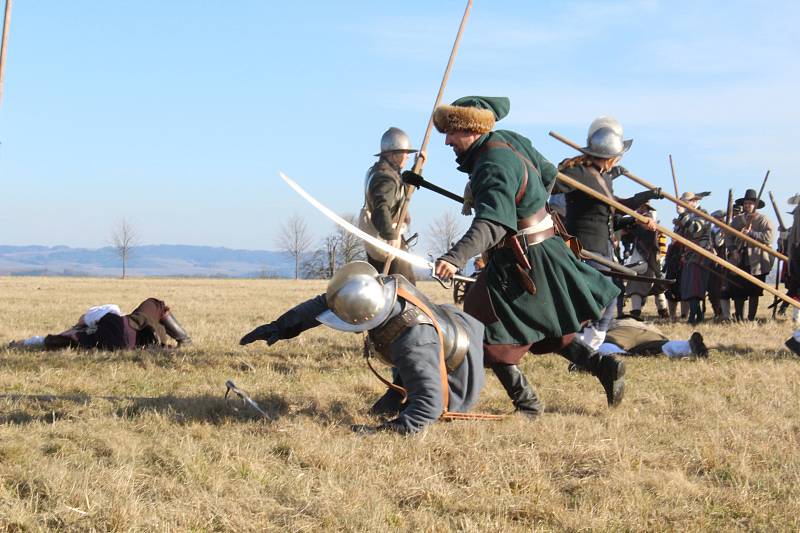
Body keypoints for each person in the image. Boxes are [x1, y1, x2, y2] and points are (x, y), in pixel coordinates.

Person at [428, 96, 624, 410]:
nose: (448, 140)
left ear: (474, 129)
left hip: (522, 259)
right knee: (547, 325)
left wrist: (455, 256)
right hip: (543, 248)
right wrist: (524, 205)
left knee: (484, 328)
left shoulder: (491, 165)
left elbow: (493, 223)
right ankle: (602, 365)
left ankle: (528, 404)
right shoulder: (509, 141)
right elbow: (547, 174)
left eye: (454, 132)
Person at [239, 261, 487, 433]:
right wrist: (281, 326)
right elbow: (326, 304)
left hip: (455, 378)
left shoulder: (413, 342)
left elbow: (429, 408)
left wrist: (387, 430)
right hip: (436, 341)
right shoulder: (382, 292)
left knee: (411, 367)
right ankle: (400, 391)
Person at [554, 117, 661, 346]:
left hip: (603, 247)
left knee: (608, 297)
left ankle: (587, 347)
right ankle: (584, 347)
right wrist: (552, 174)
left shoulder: (603, 178)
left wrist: (642, 209)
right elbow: (552, 184)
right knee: (604, 297)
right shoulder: (580, 173)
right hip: (583, 247)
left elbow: (613, 210)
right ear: (611, 158)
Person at [358, 127, 421, 283]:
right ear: (393, 154)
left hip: (385, 240)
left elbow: (402, 193)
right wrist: (390, 235)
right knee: (402, 289)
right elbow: (381, 207)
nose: (407, 156)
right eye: (405, 153)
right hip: (386, 242)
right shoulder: (385, 177)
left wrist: (417, 169)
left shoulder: (383, 172)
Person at [9, 298, 191, 350]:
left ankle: (181, 342)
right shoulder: (110, 313)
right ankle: (184, 340)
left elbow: (48, 340)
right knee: (154, 303)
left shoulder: (81, 335)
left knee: (64, 339)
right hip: (141, 332)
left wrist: (23, 343)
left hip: (125, 342)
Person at [729, 189, 775, 321]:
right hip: (740, 259)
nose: (748, 205)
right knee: (738, 291)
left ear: (755, 205)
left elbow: (769, 237)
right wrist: (733, 250)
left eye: (750, 203)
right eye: (746, 203)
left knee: (754, 291)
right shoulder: (737, 220)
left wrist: (751, 234)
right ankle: (738, 317)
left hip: (757, 262)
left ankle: (750, 318)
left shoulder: (763, 220)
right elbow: (728, 236)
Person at [620, 204, 670, 319]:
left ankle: (663, 312)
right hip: (642, 263)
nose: (639, 209)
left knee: (657, 289)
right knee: (636, 288)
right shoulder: (638, 226)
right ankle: (636, 313)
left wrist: (636, 224)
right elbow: (627, 236)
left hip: (650, 263)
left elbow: (656, 244)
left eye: (642, 208)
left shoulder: (650, 226)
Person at [674, 192, 714, 324]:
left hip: (700, 253)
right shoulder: (688, 215)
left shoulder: (702, 213)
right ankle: (696, 315)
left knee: (695, 286)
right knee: (689, 286)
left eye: (687, 202)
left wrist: (683, 215)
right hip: (688, 254)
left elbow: (696, 229)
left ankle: (694, 316)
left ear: (694, 202)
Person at [598, 318, 708, 358]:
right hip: (651, 330)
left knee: (608, 342)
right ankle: (687, 346)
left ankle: (618, 354)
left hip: (623, 327)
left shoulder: (619, 320)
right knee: (662, 346)